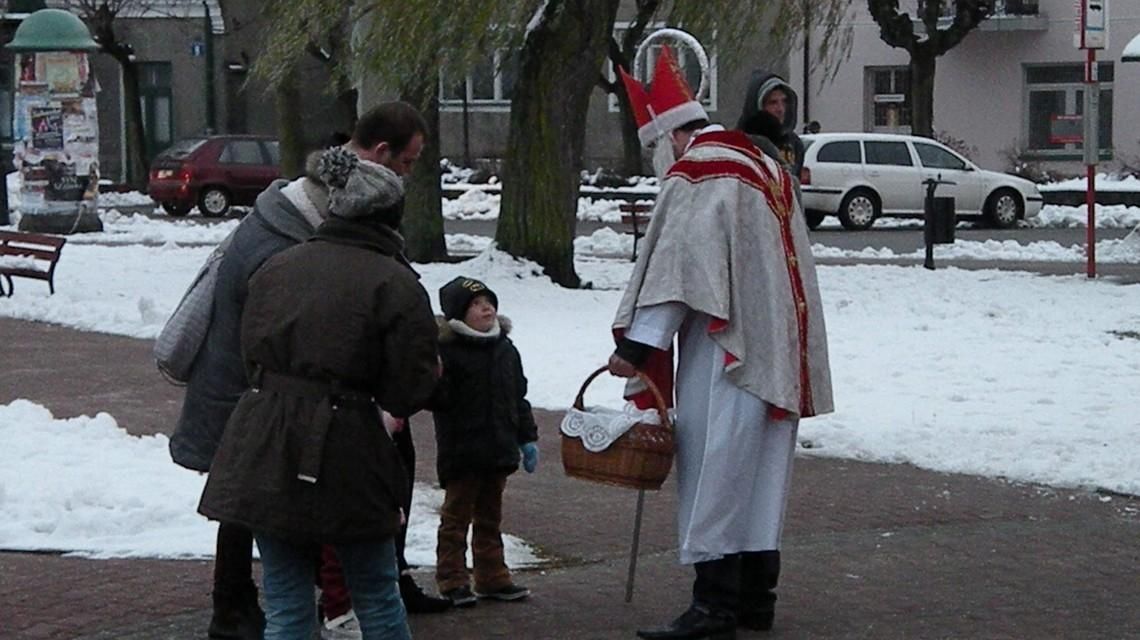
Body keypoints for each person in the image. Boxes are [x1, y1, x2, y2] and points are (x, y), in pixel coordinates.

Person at [167, 101, 442, 640]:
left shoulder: (278, 259)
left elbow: (250, 349)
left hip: (265, 444)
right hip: (347, 450)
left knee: (289, 604)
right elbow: (411, 383)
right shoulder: (394, 282)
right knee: (378, 597)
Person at [615, 46, 834, 639]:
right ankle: (754, 599)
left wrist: (636, 348)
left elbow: (681, 269)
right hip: (776, 348)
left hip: (725, 349)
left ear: (667, 138)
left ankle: (713, 607)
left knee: (714, 470)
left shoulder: (700, 169)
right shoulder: (761, 161)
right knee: (760, 476)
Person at [429, 276, 539, 607]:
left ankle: (492, 576)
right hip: (462, 450)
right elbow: (437, 398)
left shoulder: (505, 348)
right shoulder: (447, 351)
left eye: (489, 302)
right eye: (476, 305)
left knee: (490, 518)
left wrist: (527, 437)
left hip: (499, 449)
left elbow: (518, 397)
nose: (486, 308)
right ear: (459, 314)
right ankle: (452, 579)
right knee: (456, 518)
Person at [736, 70, 806, 185]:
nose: (780, 109)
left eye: (784, 102)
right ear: (758, 106)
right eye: (773, 103)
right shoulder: (741, 143)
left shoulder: (794, 144)